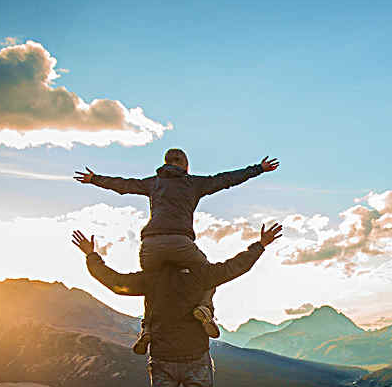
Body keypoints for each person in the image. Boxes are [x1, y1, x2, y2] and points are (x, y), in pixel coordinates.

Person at [70, 223, 282, 387]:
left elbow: (115, 283)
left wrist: (91, 256)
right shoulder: (201, 275)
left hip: (162, 358)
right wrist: (259, 245)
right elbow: (235, 267)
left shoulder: (151, 279)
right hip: (196, 356)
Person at [74, 149, 279, 353]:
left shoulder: (153, 183)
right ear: (186, 165)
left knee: (152, 282)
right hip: (180, 243)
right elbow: (226, 179)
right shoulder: (193, 183)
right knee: (209, 275)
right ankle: (205, 308)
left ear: (165, 163)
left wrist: (94, 179)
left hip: (150, 247)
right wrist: (258, 169)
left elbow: (125, 185)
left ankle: (148, 329)